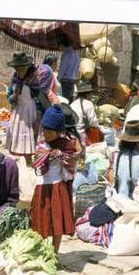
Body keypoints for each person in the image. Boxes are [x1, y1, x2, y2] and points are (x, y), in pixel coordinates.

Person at [31, 105, 83, 253]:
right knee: (41, 220)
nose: (46, 134)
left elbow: (73, 158)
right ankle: (41, 252)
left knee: (57, 221)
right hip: (42, 185)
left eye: (49, 132)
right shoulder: (42, 141)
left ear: (59, 131)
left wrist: (58, 154)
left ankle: (55, 253)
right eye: (44, 130)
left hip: (57, 186)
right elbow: (38, 156)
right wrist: (48, 155)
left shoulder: (67, 144)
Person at [5, 52, 57, 166]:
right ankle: (29, 164)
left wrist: (38, 119)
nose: (19, 71)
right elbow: (8, 98)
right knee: (23, 142)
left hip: (33, 113)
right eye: (17, 68)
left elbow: (40, 101)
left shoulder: (36, 80)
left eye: (22, 68)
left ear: (28, 66)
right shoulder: (14, 79)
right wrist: (13, 97)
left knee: (34, 140)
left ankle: (36, 164)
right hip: (19, 114)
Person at [56, 34, 79, 103]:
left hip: (65, 82)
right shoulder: (75, 53)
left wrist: (58, 78)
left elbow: (62, 68)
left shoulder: (66, 53)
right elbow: (77, 67)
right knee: (70, 102)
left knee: (64, 102)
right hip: (72, 81)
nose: (59, 48)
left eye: (58, 46)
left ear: (61, 44)